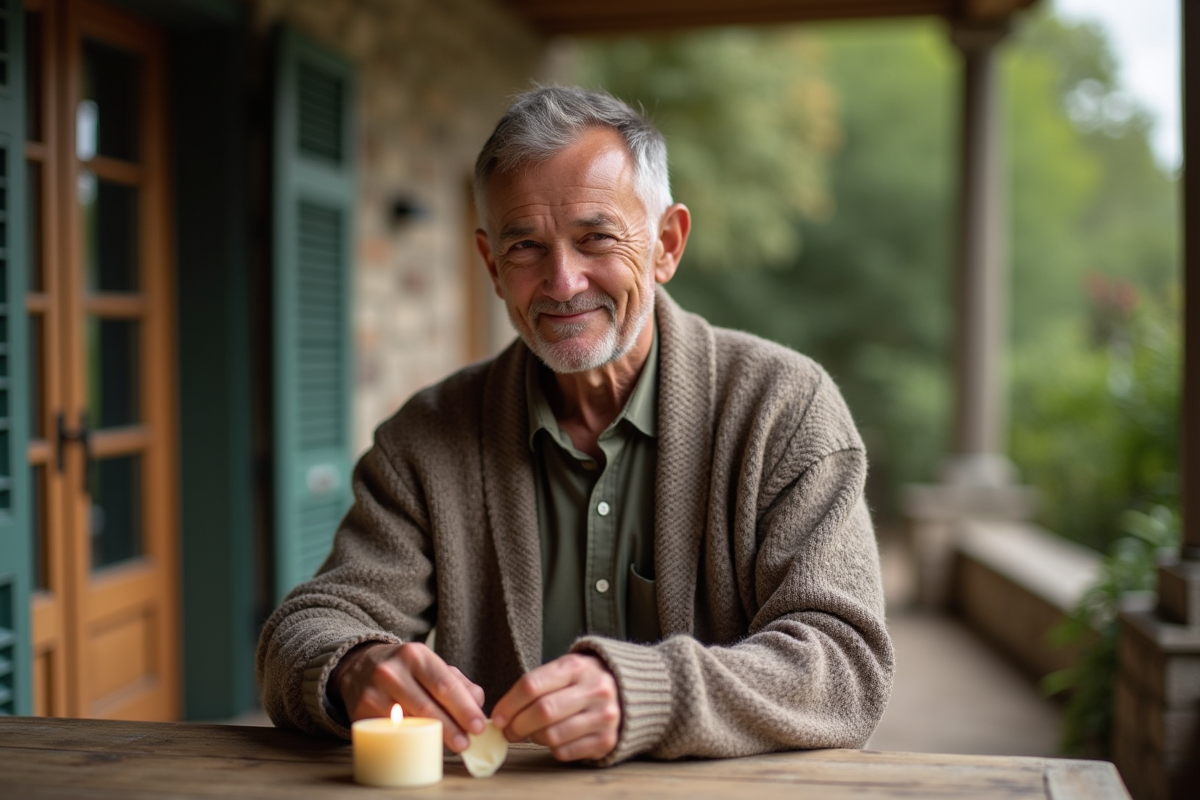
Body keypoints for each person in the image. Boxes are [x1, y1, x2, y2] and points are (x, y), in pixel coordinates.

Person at [256, 86, 893, 766]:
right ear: (492, 266)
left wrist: (648, 694)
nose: (562, 281)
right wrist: (357, 665)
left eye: (596, 238)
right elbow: (301, 631)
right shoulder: (425, 439)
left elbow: (846, 666)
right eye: (526, 246)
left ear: (667, 244)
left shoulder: (785, 410)